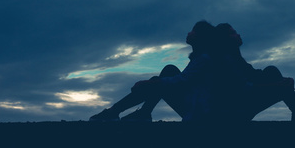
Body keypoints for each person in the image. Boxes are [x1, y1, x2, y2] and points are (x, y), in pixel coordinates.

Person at [89, 20, 221, 122]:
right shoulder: (201, 58)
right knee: (165, 75)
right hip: (196, 106)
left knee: (164, 77)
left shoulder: (204, 59)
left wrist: (149, 83)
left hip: (198, 111)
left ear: (201, 37)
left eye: (193, 31)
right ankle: (139, 113)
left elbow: (181, 81)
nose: (189, 33)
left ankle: (116, 112)